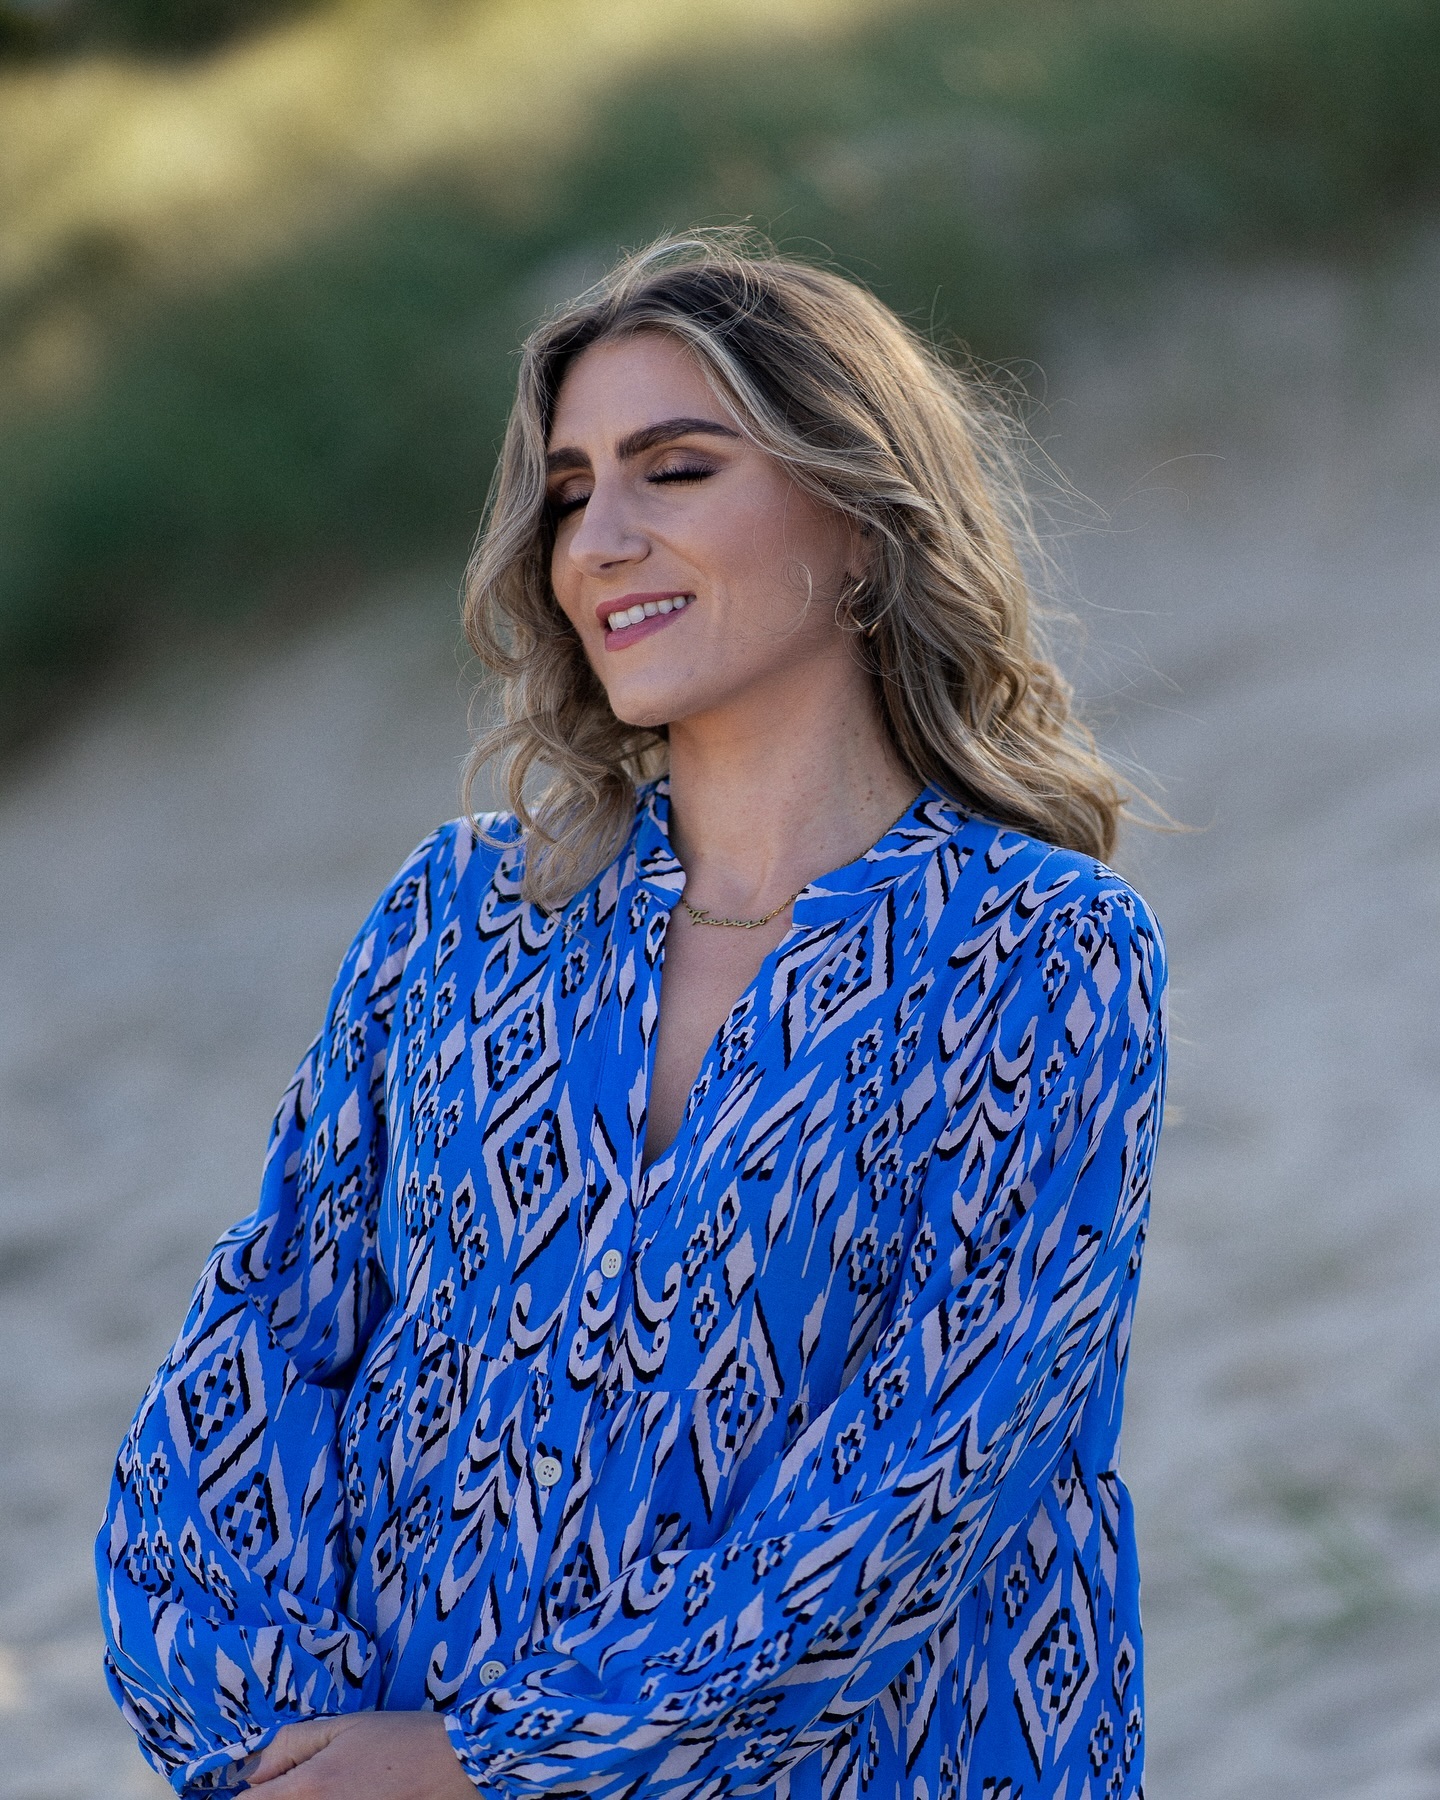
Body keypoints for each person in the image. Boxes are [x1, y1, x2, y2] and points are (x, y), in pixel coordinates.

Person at [98, 232, 1166, 1800]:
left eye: (675, 468)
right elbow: (262, 1339)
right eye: (574, 490)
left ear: (861, 519)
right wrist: (257, 1739)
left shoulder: (1039, 953)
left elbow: (936, 1469)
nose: (601, 536)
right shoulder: (460, 918)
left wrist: (499, 1765)